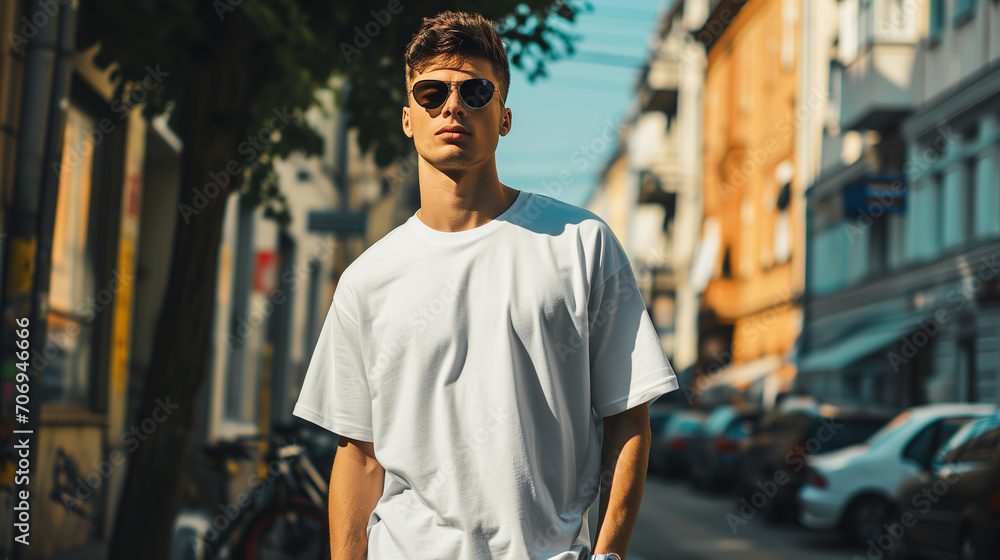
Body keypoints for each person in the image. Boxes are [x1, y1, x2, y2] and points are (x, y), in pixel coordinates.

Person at [292, 10, 678, 560]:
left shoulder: (580, 244)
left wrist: (610, 554)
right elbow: (359, 456)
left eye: (476, 91)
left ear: (504, 117)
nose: (452, 106)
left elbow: (627, 417)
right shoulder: (367, 280)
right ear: (408, 117)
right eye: (431, 93)